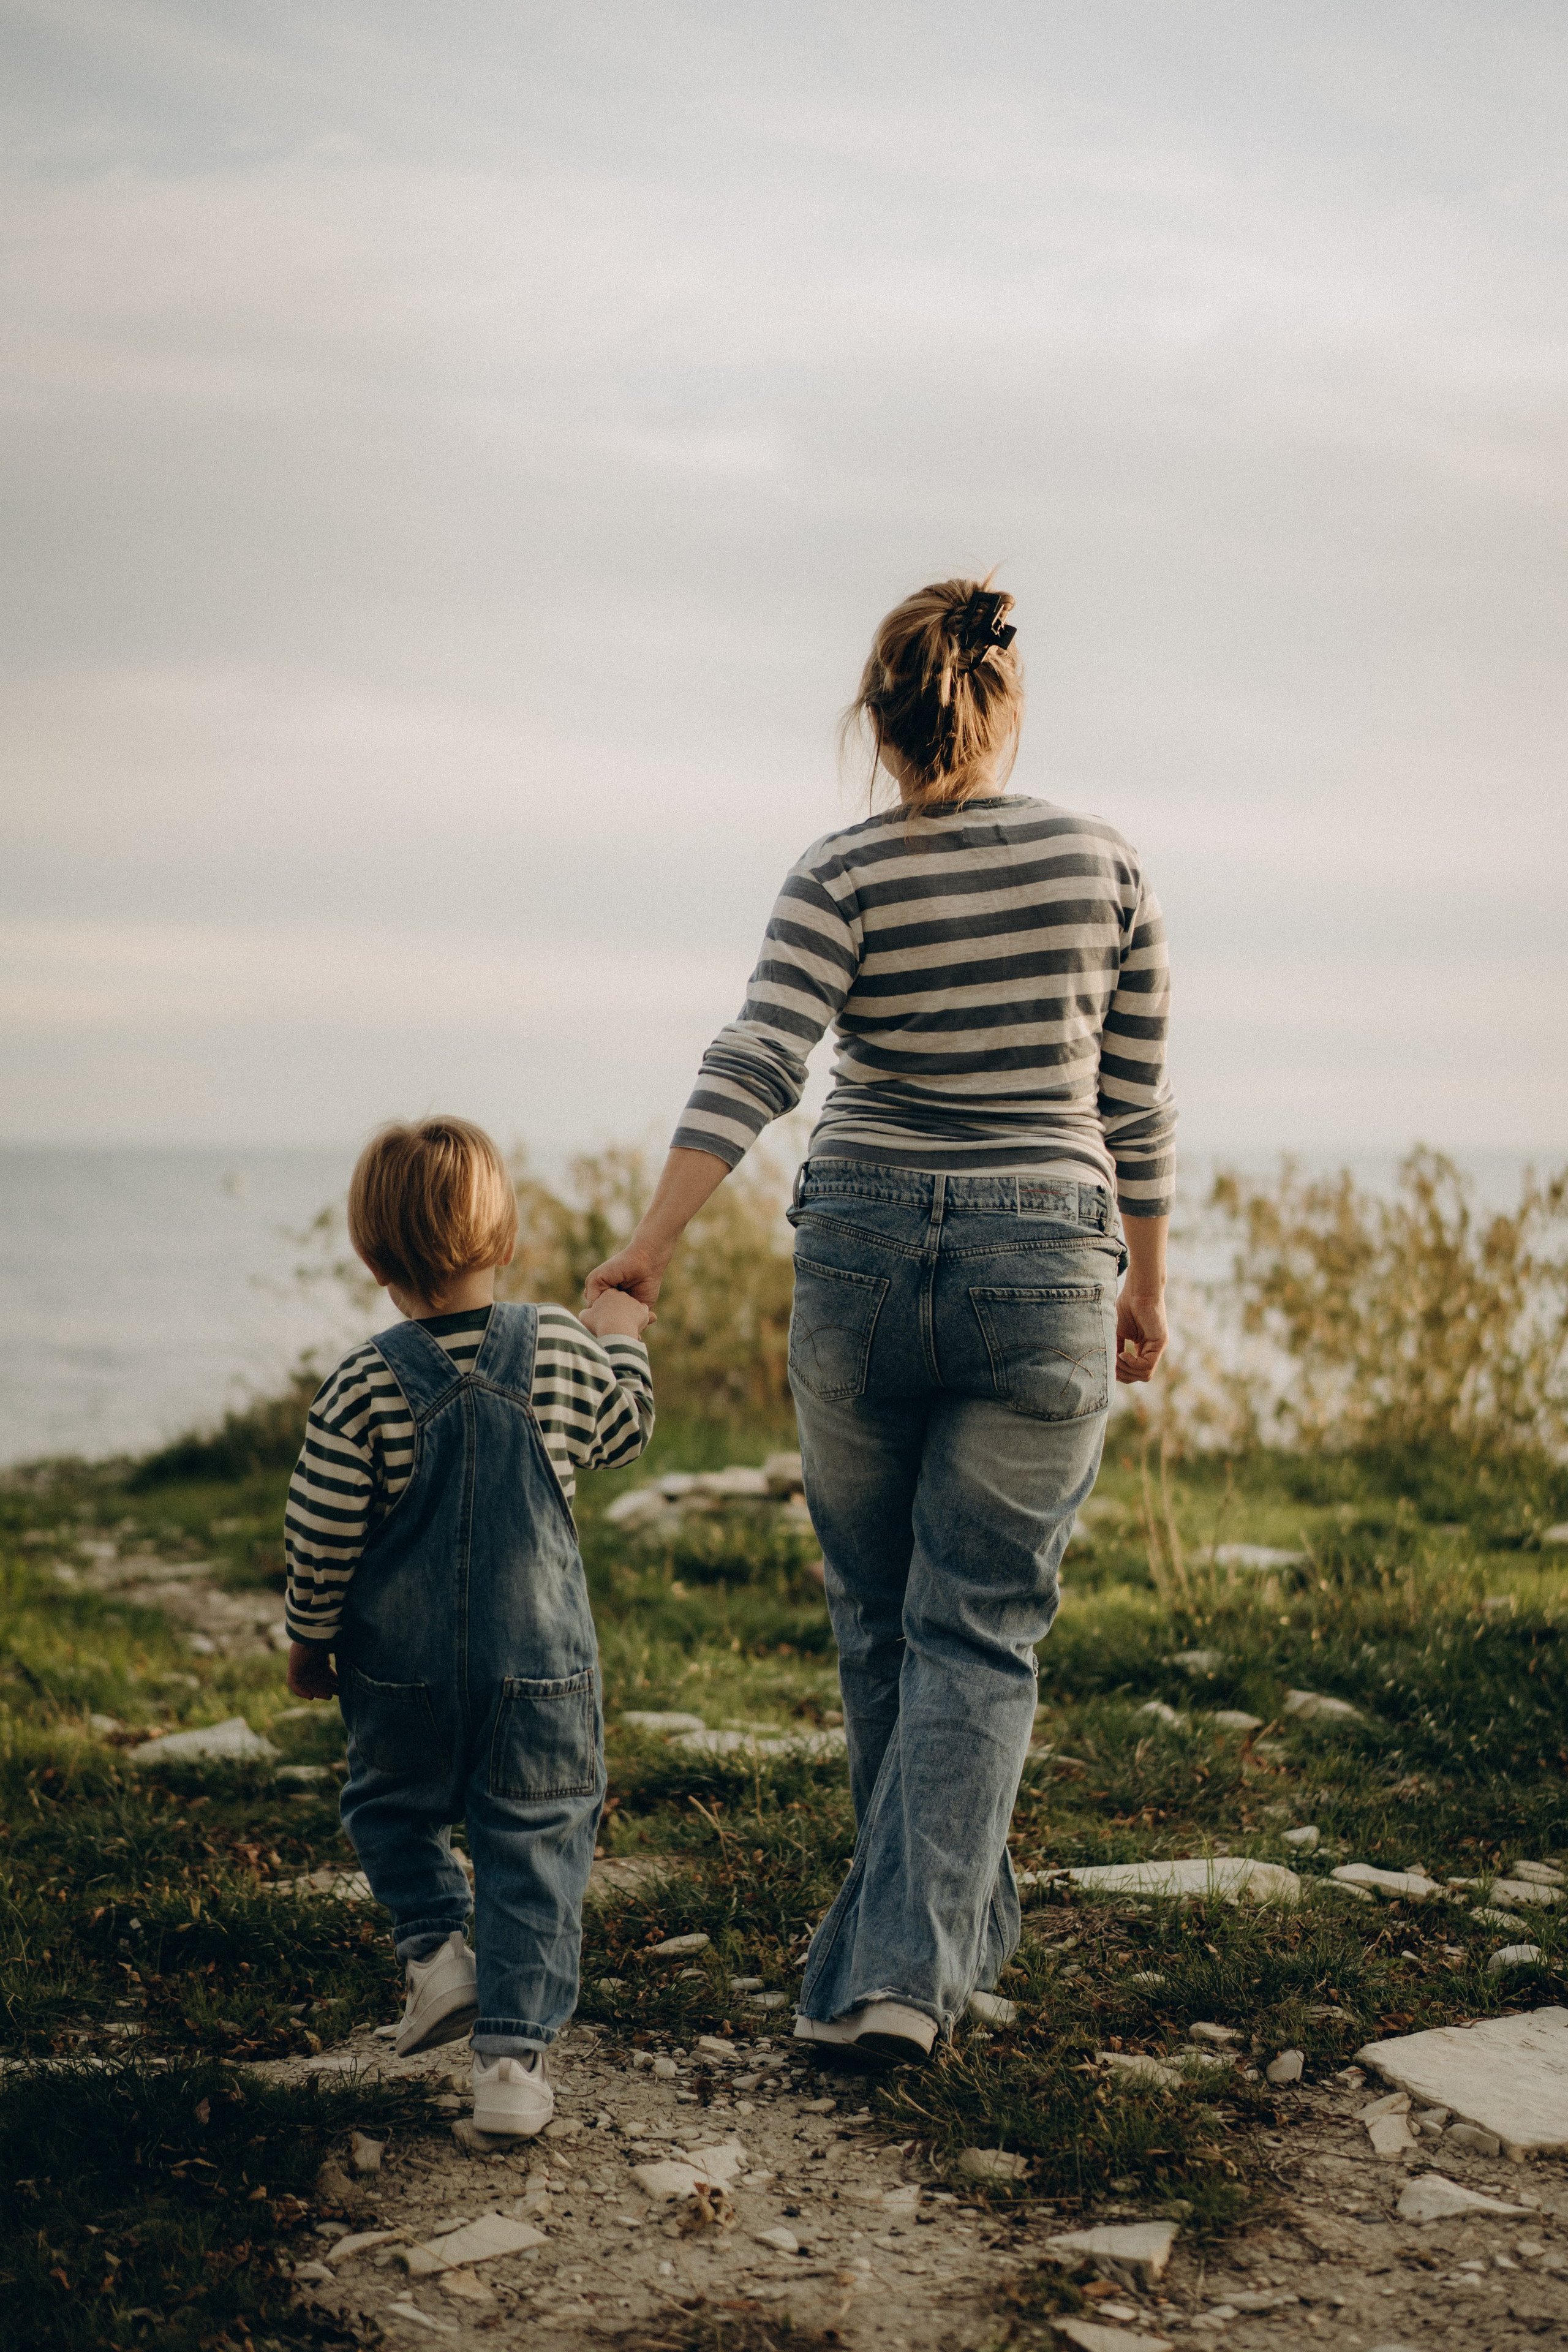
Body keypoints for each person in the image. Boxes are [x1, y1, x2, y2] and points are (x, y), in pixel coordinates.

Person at [586, 578, 1173, 2064]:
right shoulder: (1098, 860)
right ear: (1006, 703)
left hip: (854, 1243)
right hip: (1046, 1253)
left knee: (880, 1616)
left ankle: (913, 1958)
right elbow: (1133, 1102)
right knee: (975, 1625)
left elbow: (761, 1054)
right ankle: (918, 1968)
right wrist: (1145, 1288)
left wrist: (649, 1249)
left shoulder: (838, 870)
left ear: (879, 718)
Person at [284, 1116, 654, 2135]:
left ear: (370, 1256)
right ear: (505, 1237)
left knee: (389, 1811)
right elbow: (624, 1430)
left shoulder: (363, 1382)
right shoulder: (563, 1349)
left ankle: (438, 1955)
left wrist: (308, 1641)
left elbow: (319, 1534)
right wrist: (622, 1338)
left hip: (398, 1679)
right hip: (541, 1673)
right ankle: (511, 2074)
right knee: (535, 1847)